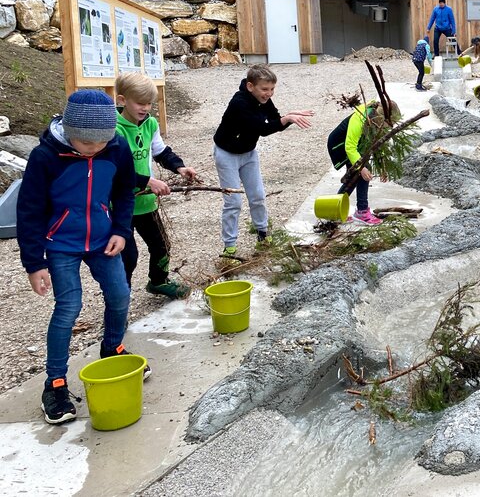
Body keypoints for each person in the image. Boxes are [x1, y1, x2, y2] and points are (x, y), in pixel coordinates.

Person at [17, 90, 145, 425]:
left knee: (119, 294)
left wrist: (121, 230)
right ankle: (55, 383)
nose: (93, 150)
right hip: (60, 243)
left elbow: (123, 191)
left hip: (103, 238)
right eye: (85, 144)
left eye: (99, 144)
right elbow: (28, 211)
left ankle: (112, 347)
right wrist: (34, 262)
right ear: (70, 129)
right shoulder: (45, 156)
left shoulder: (116, 148)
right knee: (68, 307)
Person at [213, 65, 313, 257]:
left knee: (258, 195)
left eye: (272, 89)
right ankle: (229, 247)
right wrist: (287, 118)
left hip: (248, 153)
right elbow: (262, 129)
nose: (269, 94)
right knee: (233, 201)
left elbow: (276, 120)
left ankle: (262, 234)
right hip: (227, 154)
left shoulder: (263, 100)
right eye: (265, 89)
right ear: (251, 86)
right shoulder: (239, 102)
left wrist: (288, 117)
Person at [115, 73, 197, 298]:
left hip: (146, 201)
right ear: (122, 100)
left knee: (161, 245)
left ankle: (158, 281)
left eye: (149, 103)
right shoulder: (115, 129)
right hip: (120, 205)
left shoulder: (150, 124)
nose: (146, 108)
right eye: (140, 103)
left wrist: (179, 167)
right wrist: (147, 181)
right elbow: (115, 170)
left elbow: (160, 151)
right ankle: (120, 299)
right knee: (127, 255)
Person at [326, 100, 402, 225]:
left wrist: (382, 166)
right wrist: (361, 167)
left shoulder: (376, 120)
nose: (390, 127)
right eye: (389, 123)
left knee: (354, 177)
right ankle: (361, 211)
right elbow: (349, 147)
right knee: (361, 172)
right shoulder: (361, 119)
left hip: (356, 145)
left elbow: (377, 144)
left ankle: (335, 211)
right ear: (380, 118)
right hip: (339, 144)